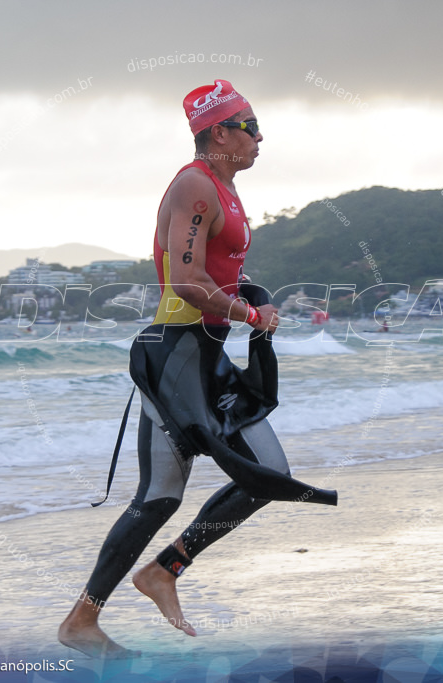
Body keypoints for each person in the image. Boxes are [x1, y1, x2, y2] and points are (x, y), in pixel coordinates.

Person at [58, 80, 337, 658]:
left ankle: (164, 570)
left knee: (268, 472)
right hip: (175, 353)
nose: (260, 136)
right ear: (219, 132)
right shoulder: (194, 185)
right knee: (160, 495)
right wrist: (248, 312)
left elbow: (217, 274)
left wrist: (250, 304)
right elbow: (187, 282)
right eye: (250, 125)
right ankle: (82, 620)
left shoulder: (225, 190)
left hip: (207, 355)